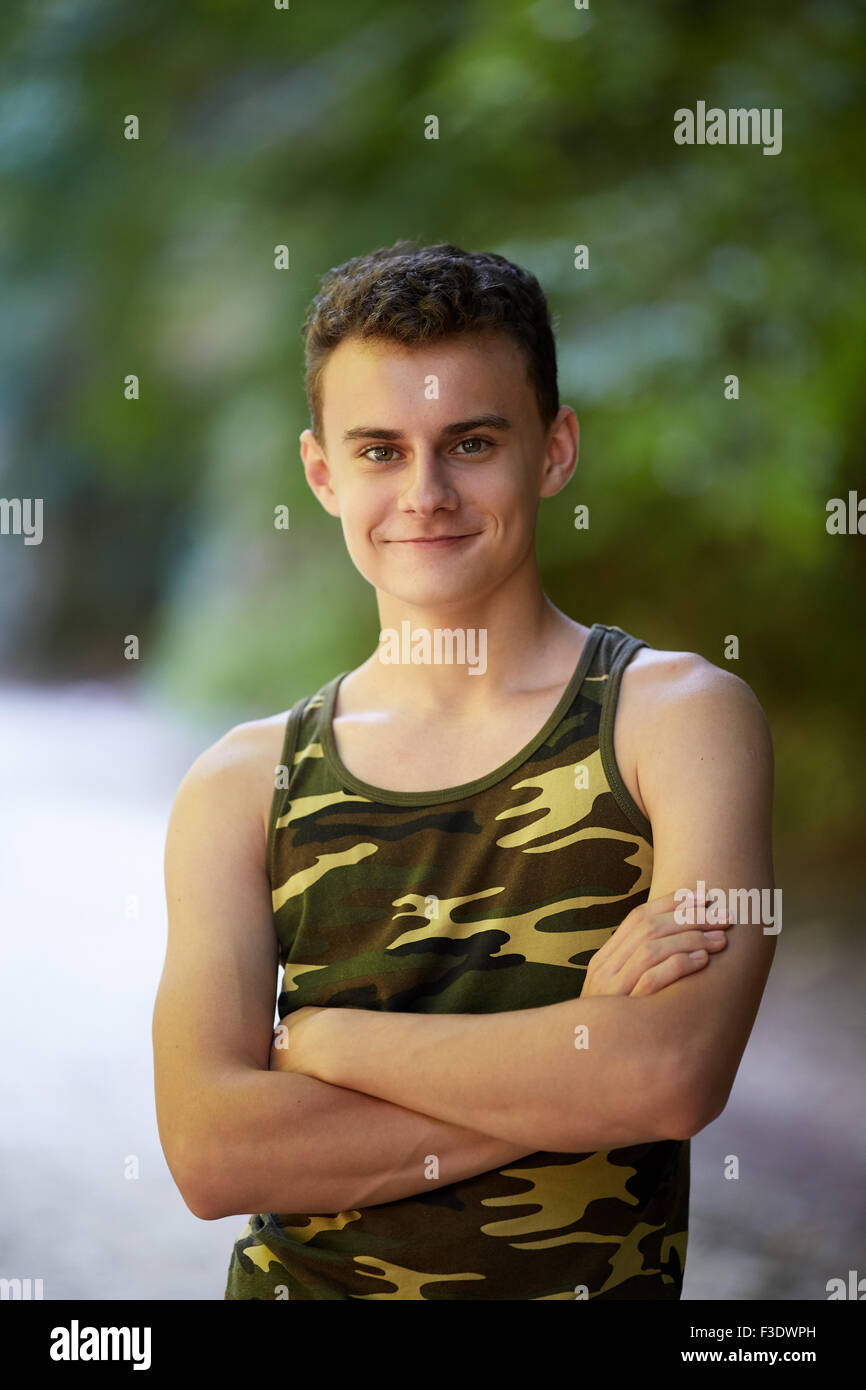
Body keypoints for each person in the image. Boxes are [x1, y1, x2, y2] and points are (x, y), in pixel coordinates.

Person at [152, 241, 776, 1300]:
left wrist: (326, 1043)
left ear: (553, 449)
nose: (426, 492)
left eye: (471, 441)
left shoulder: (674, 723)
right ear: (321, 472)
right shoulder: (245, 784)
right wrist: (576, 1064)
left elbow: (668, 1076)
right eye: (380, 450)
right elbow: (212, 1155)